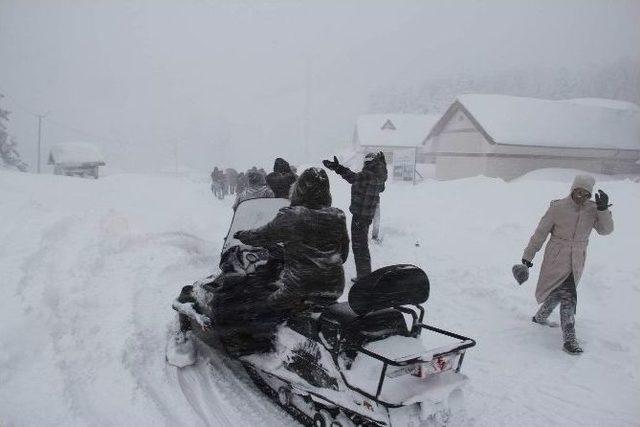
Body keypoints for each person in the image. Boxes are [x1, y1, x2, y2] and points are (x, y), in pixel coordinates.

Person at [234, 167, 350, 313]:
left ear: (299, 189)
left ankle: (266, 335)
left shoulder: (292, 216)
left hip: (298, 289)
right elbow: (343, 255)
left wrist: (242, 235)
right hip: (333, 288)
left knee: (257, 307)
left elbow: (262, 235)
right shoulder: (337, 215)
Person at [520, 174, 613, 355]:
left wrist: (603, 210)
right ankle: (569, 339)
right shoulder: (558, 208)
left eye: (585, 194)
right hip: (557, 257)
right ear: (572, 189)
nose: (581, 196)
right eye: (578, 192)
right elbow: (540, 233)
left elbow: (606, 230)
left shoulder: (593, 210)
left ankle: (541, 316)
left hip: (577, 259)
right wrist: (527, 257)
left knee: (562, 291)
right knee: (569, 295)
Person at [323, 152, 387, 280]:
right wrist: (383, 163)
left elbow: (351, 177)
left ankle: (364, 277)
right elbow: (381, 188)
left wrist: (337, 168)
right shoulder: (379, 177)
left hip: (360, 217)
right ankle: (365, 274)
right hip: (368, 216)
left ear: (367, 163)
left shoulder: (367, 175)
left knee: (359, 247)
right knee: (362, 246)